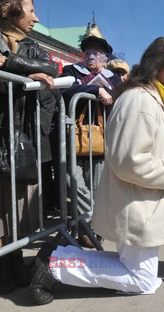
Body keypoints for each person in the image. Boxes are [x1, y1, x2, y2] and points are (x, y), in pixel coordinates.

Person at [29, 36, 164, 305]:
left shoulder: (150, 99)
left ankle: (60, 258)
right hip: (137, 207)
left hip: (142, 204)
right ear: (155, 67)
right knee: (143, 280)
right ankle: (56, 263)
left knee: (141, 275)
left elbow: (151, 155)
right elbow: (129, 161)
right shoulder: (140, 101)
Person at [0, 0, 58, 294]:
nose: (36, 16)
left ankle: (14, 263)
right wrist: (24, 75)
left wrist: (9, 64)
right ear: (12, 9)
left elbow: (48, 67)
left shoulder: (30, 45)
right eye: (30, 10)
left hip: (22, 137)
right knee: (0, 208)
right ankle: (3, 269)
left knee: (16, 207)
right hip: (0, 131)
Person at [59, 35, 121, 248]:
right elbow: (65, 91)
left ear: (106, 59)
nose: (91, 57)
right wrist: (96, 90)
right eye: (88, 53)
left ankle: (92, 231)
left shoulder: (114, 78)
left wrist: (107, 91)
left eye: (97, 53)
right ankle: (94, 219)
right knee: (71, 180)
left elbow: (120, 97)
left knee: (96, 186)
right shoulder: (71, 71)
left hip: (102, 139)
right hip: (75, 136)